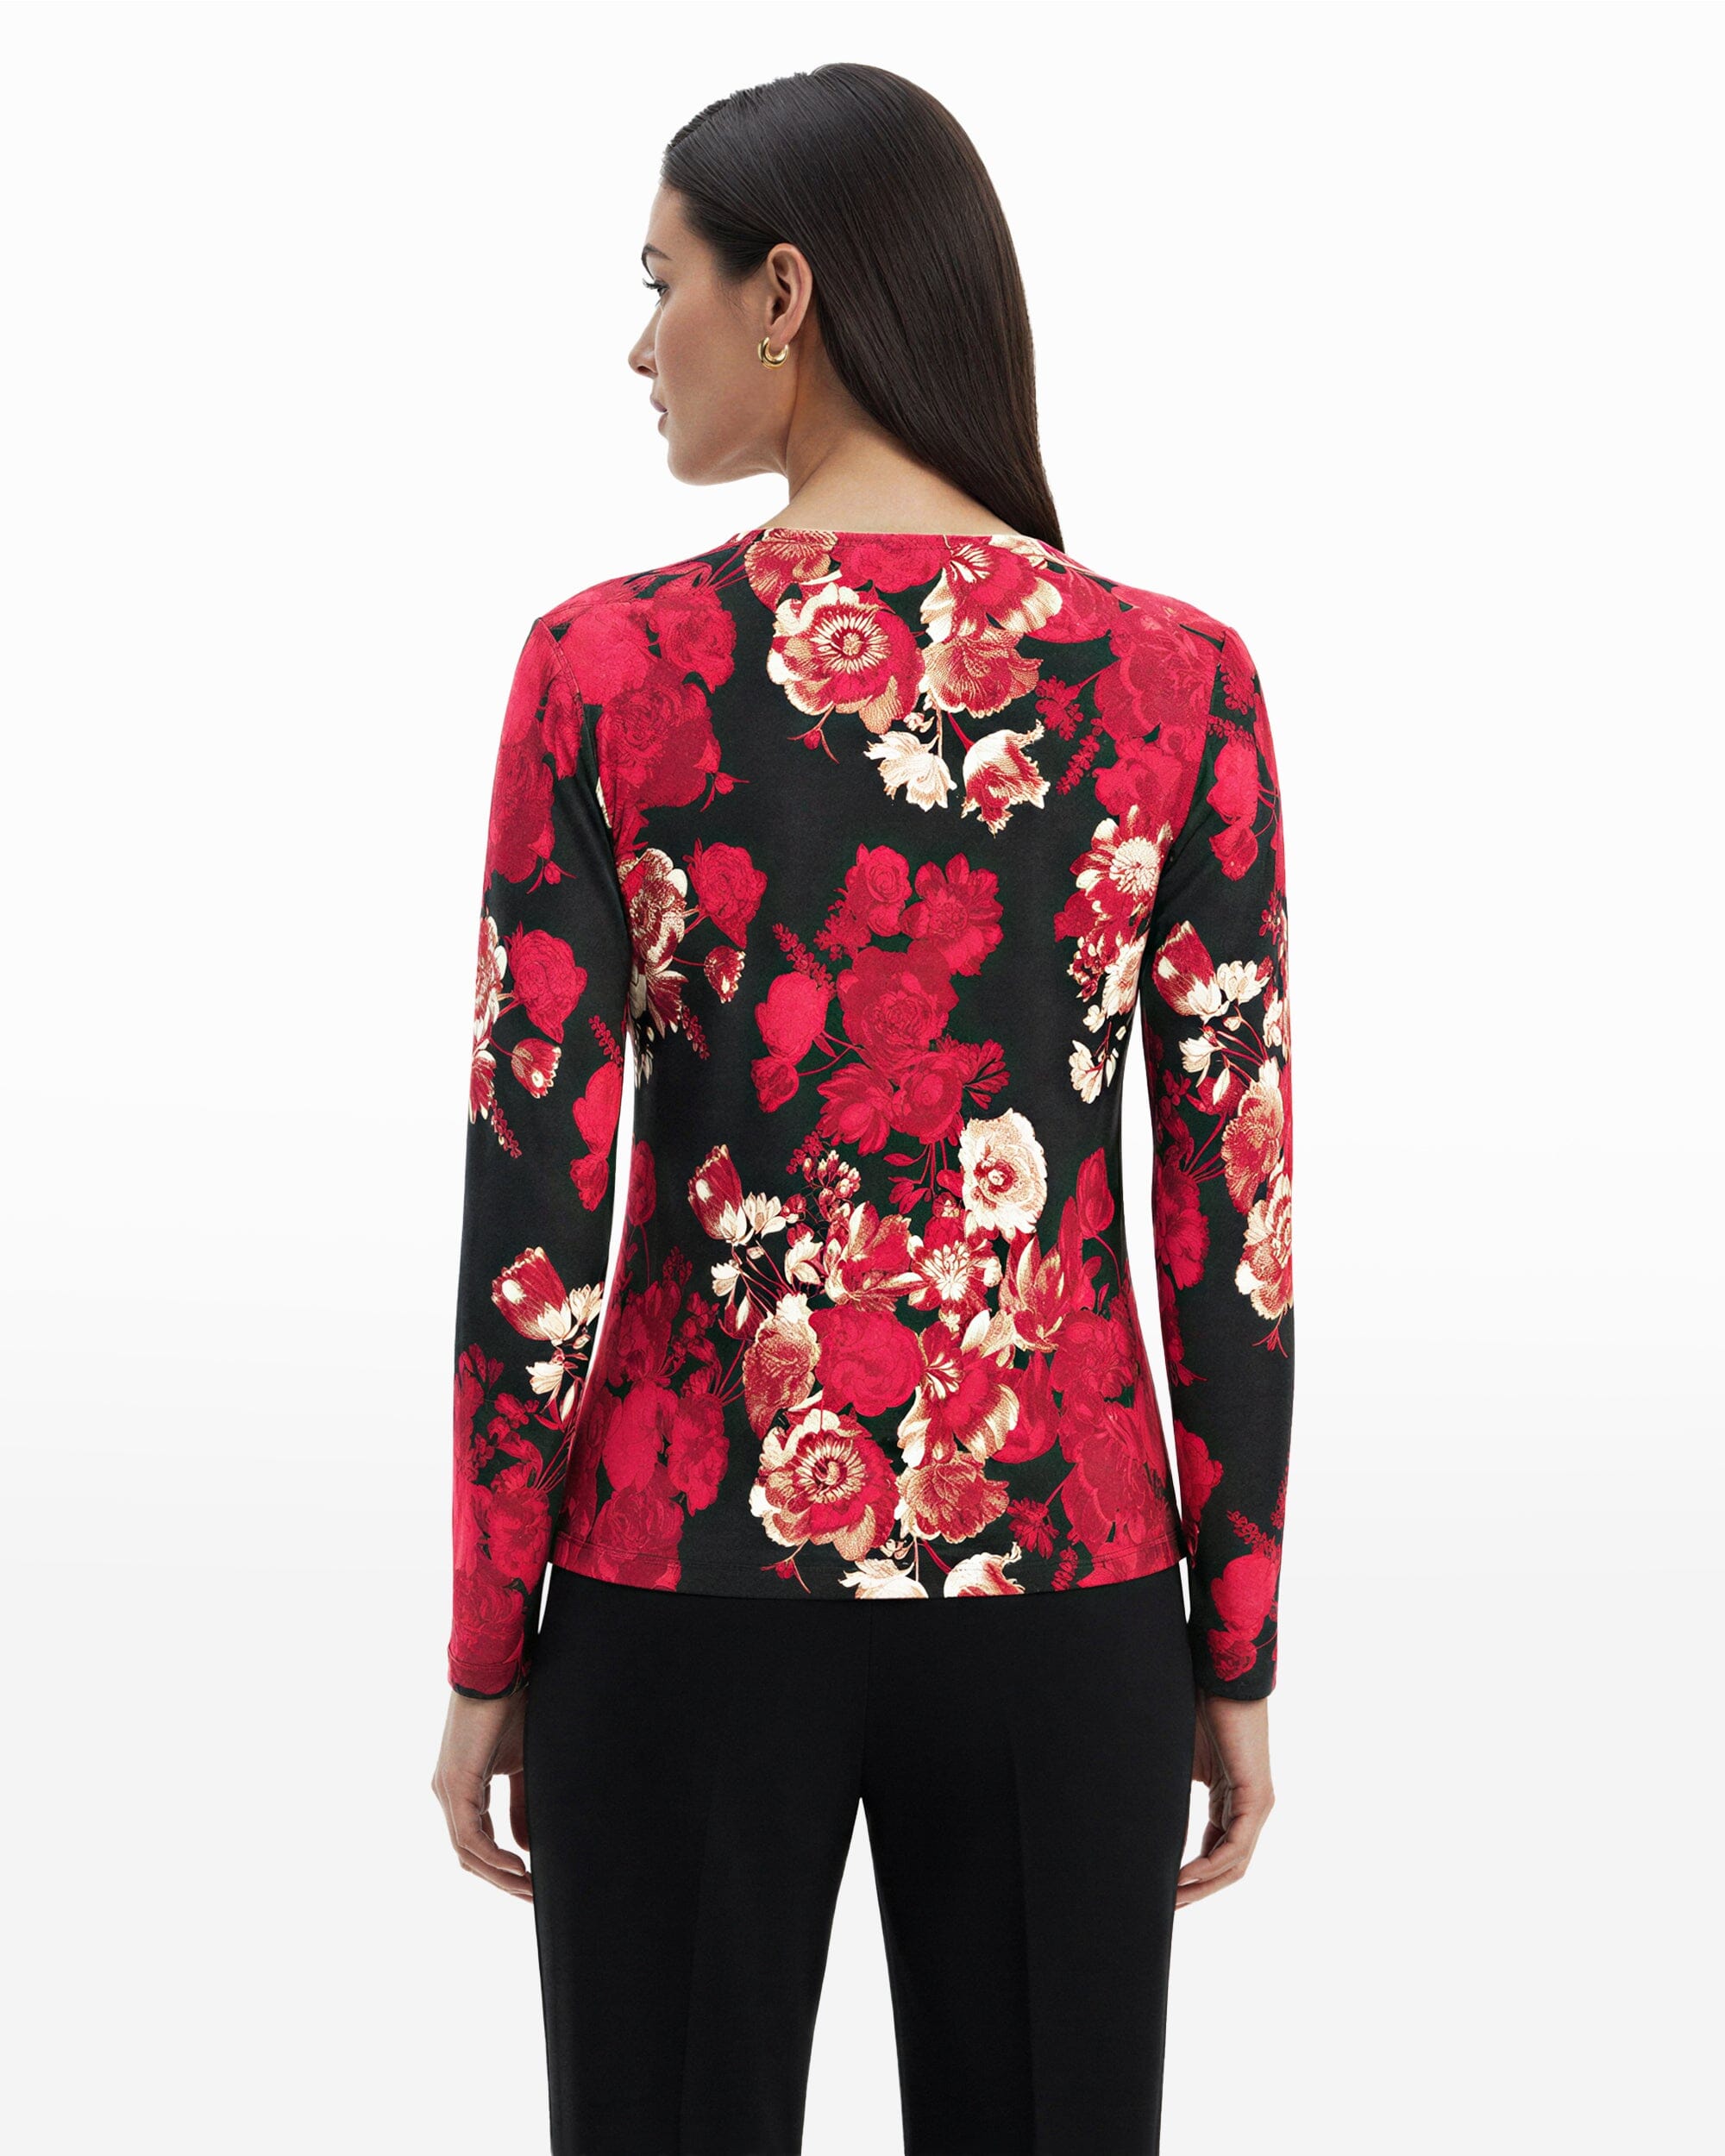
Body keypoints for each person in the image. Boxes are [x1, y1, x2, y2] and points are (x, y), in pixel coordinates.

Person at [430, 60, 1293, 2156]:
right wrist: (1235, 1642)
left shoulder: (605, 672)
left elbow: (535, 1205)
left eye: (662, 281)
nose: (642, 341)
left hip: (671, 1577)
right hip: (1065, 1573)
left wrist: (484, 1635)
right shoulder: (1172, 680)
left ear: (786, 292)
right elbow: (1232, 1213)